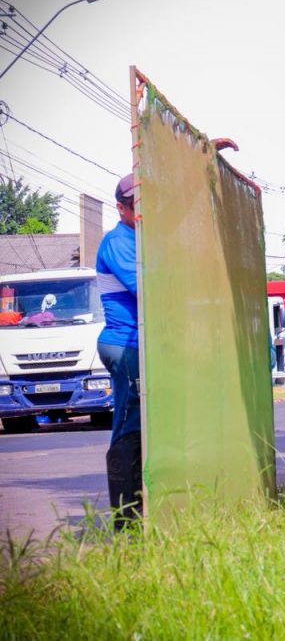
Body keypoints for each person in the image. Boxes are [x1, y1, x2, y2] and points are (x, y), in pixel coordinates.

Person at [96, 173, 142, 529]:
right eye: (136, 207)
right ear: (121, 208)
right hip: (124, 344)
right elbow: (148, 287)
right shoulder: (118, 242)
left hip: (138, 344)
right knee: (129, 426)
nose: (143, 213)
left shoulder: (141, 239)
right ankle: (126, 525)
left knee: (143, 427)